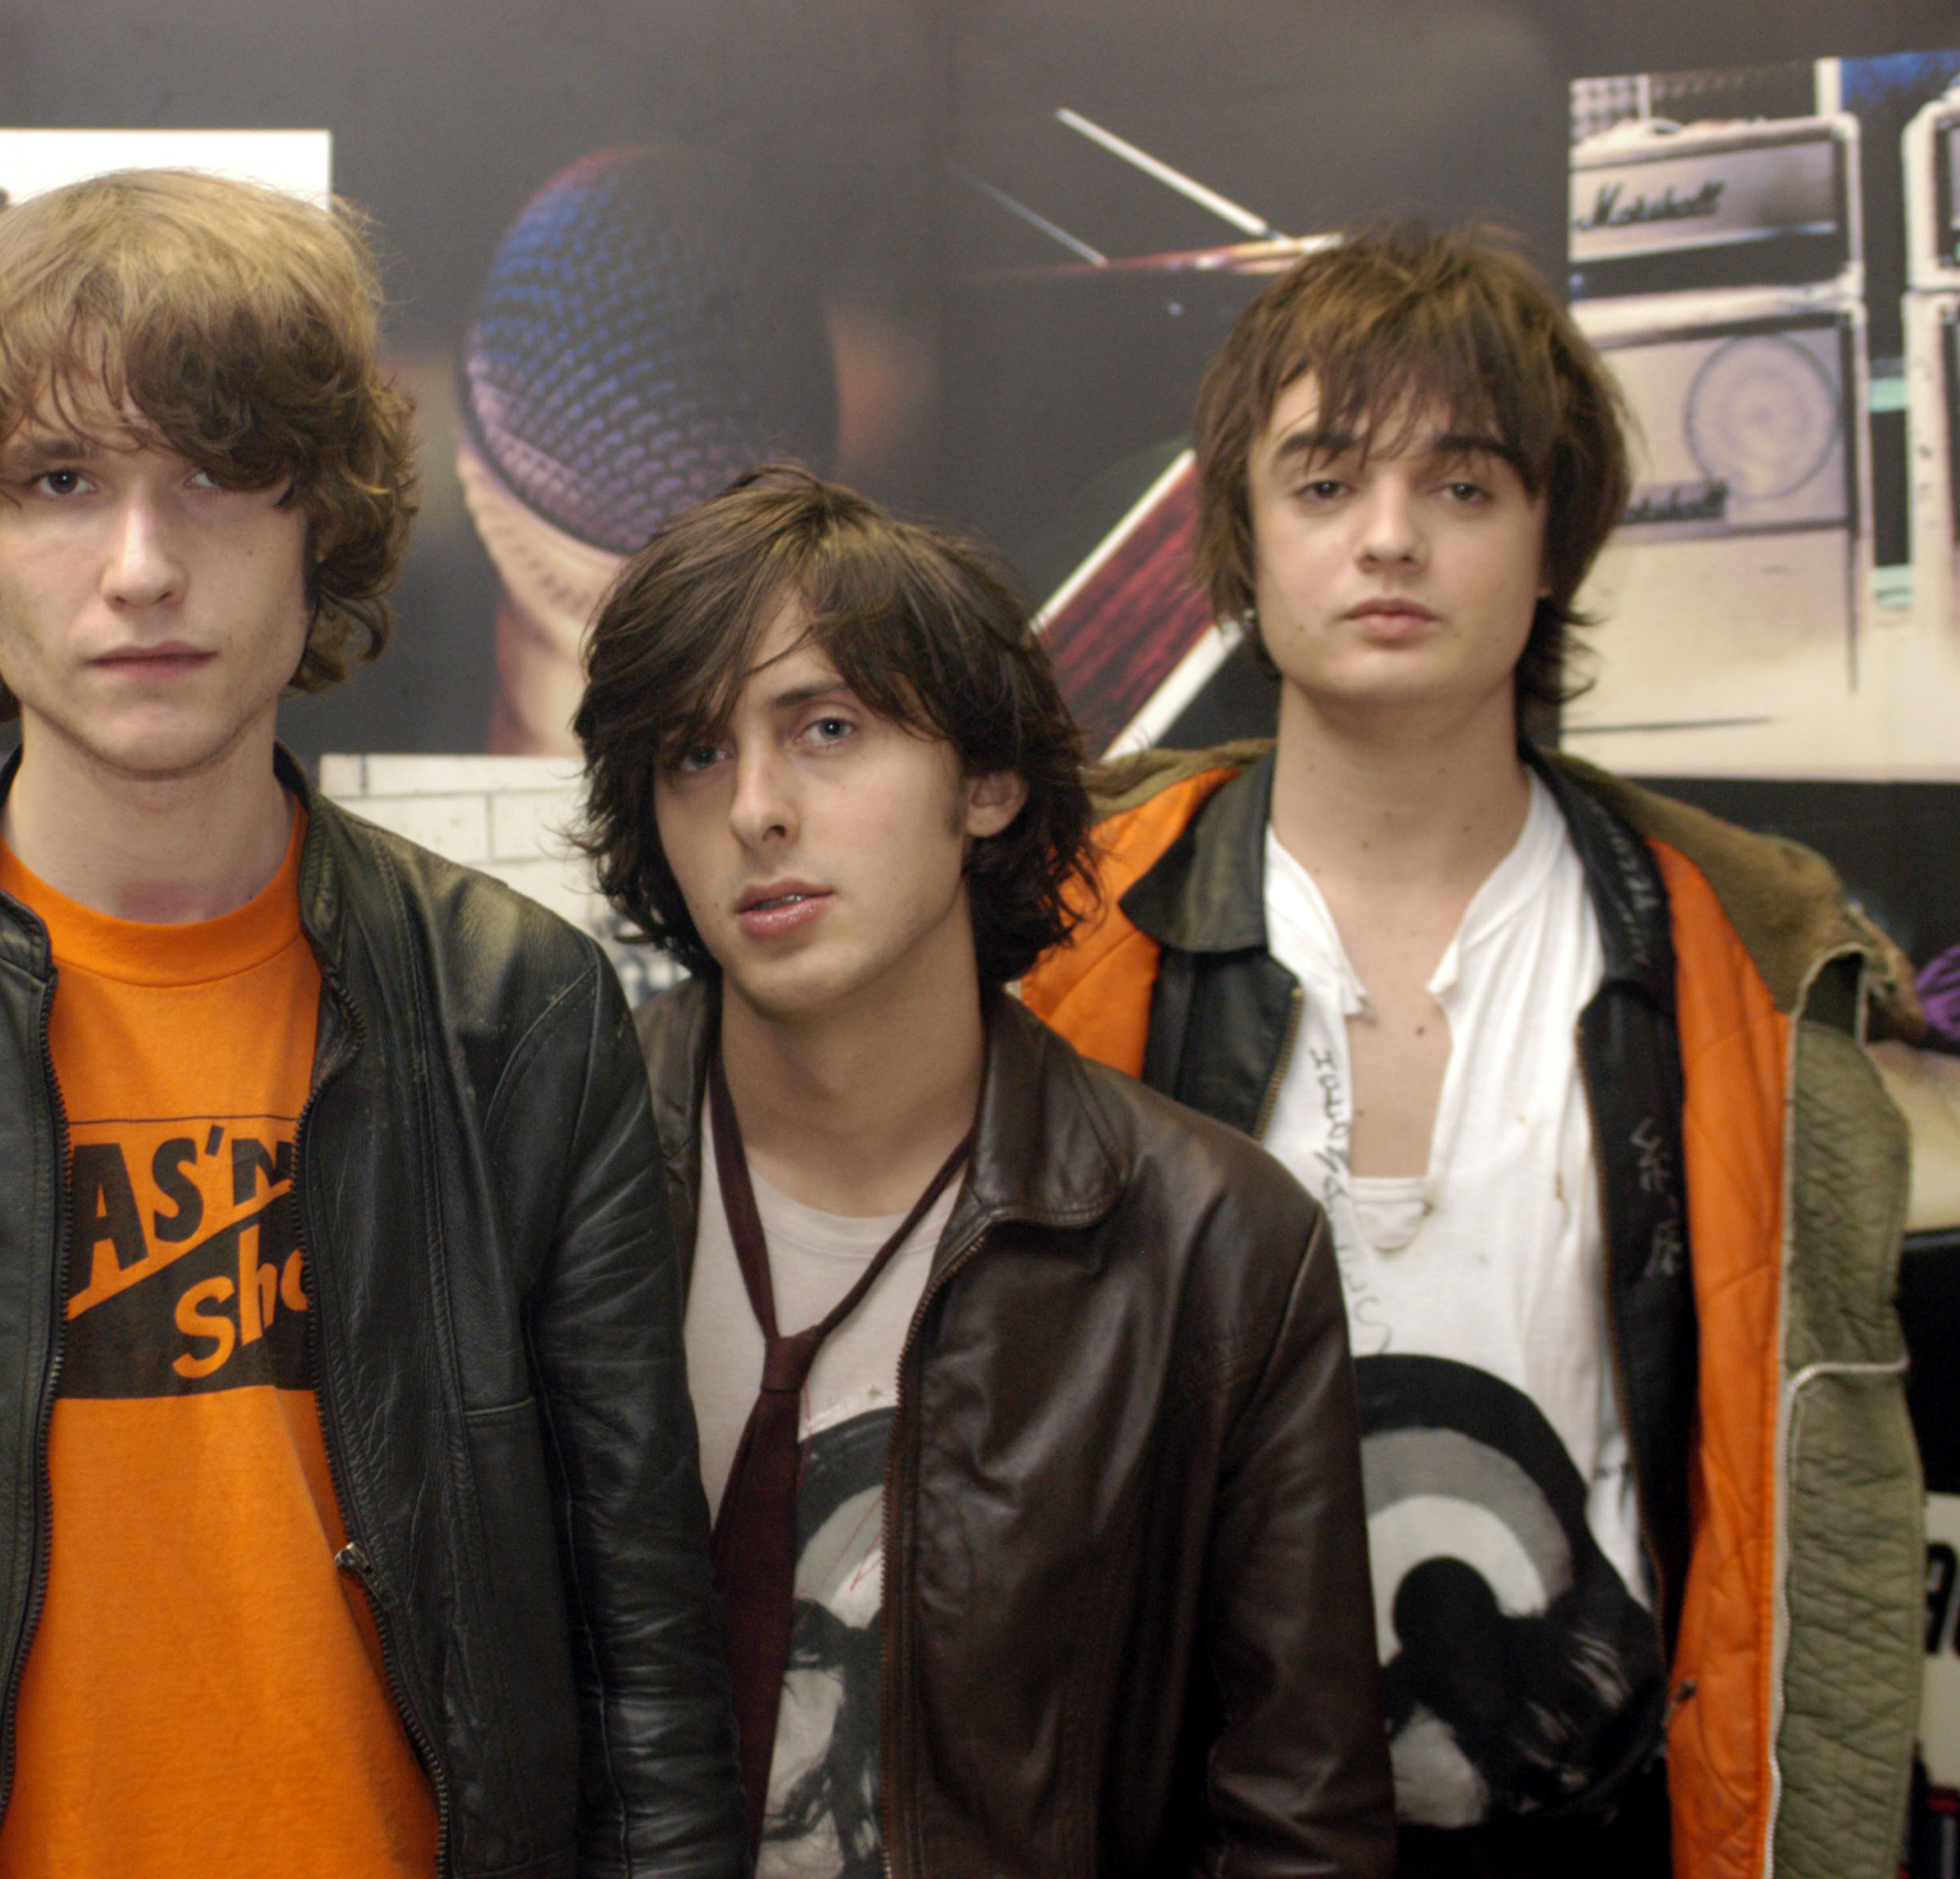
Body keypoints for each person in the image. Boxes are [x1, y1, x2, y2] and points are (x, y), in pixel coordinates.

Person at [0, 169, 742, 1878]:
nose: (141, 567)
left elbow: (645, 1662)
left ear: (320, 529)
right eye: (60, 481)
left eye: (215, 471)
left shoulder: (519, 1011)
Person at [1024, 224, 1923, 1879]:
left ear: (1549, 540)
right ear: (1239, 538)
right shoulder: (1064, 940)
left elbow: (1806, 1519)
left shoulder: (1731, 957)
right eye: (1322, 481)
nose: (1388, 536)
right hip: (1187, 1828)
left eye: (1460, 483)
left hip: (1599, 1822)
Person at [573, 464, 1395, 1877]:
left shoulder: (1214, 1250)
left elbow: (1297, 1819)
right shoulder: (543, 1170)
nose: (756, 807)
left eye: (828, 728)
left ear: (988, 782)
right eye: (694, 755)